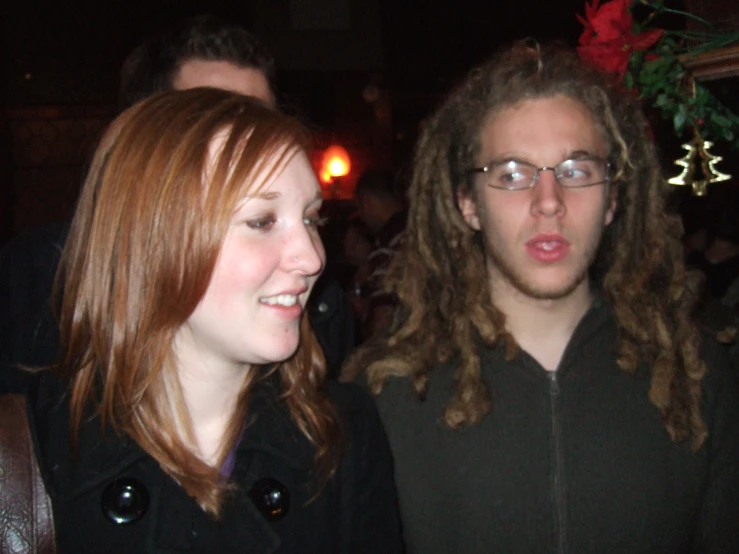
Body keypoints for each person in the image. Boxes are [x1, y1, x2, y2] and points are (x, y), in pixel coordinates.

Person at [344, 43, 739, 553]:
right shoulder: (388, 397)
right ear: (468, 203)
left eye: (575, 171)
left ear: (613, 198)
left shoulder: (696, 378)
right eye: (512, 174)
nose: (548, 202)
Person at [1, 88, 402, 553]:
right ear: (152, 240)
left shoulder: (343, 434)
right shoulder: (32, 454)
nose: (312, 258)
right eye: (262, 221)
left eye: (311, 219)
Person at [0, 14, 354, 387]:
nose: (251, 142)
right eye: (213, 121)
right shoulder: (37, 283)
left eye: (260, 119)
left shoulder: (320, 308)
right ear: (145, 141)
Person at [352, 168, 407, 339]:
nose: (361, 215)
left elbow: (383, 318)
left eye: (359, 208)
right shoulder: (417, 229)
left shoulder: (386, 241)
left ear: (366, 201)